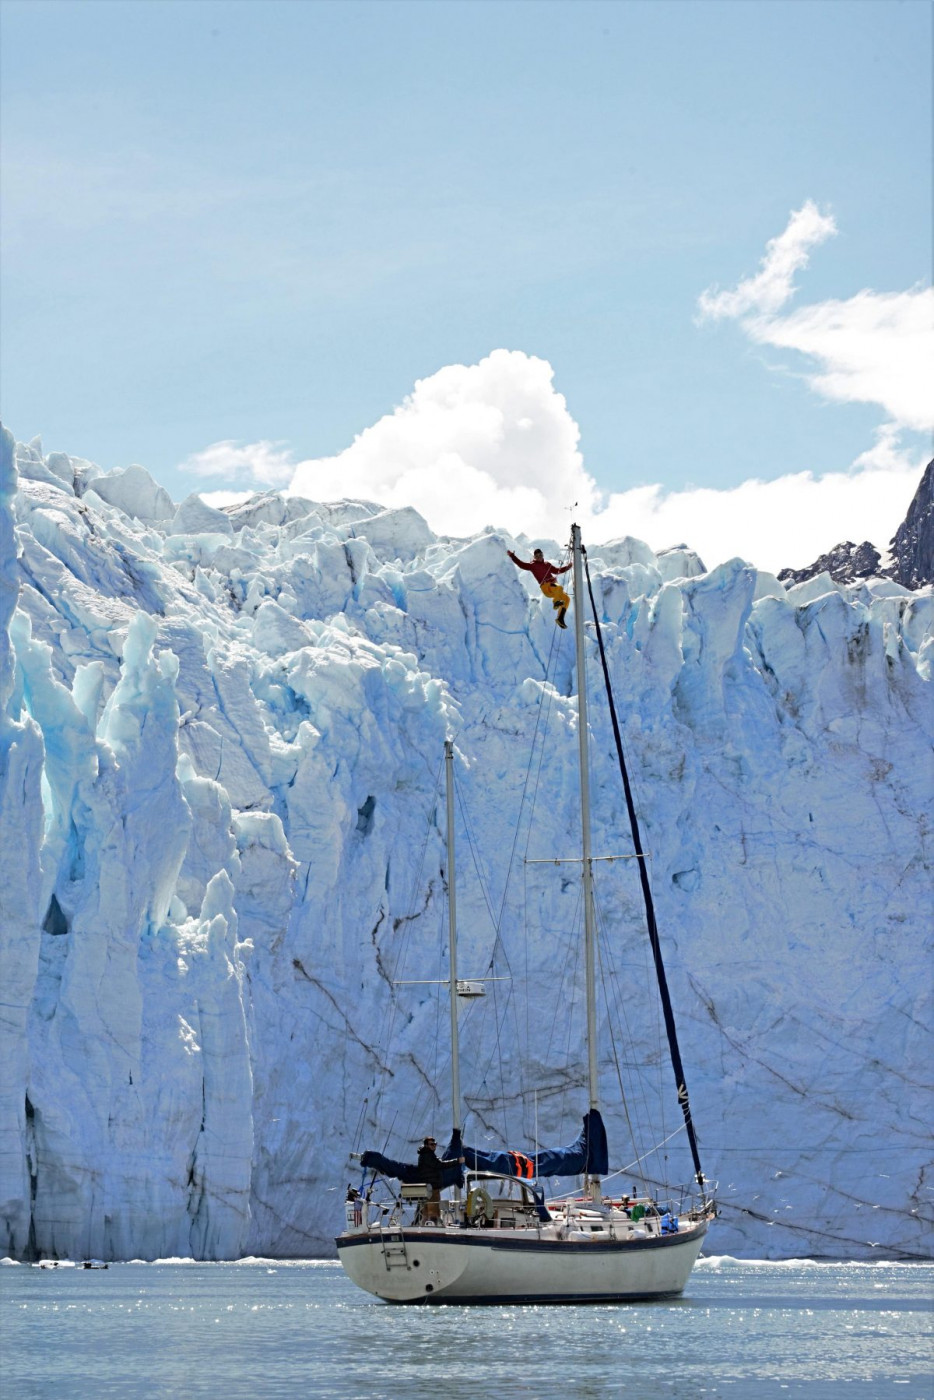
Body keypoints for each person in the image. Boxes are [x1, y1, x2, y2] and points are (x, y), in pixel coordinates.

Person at [506, 547, 572, 628]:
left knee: (567, 599)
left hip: (553, 589)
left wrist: (567, 567)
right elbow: (521, 564)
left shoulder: (547, 564)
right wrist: (512, 556)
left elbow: (556, 570)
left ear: (542, 554)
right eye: (537, 556)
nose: (539, 557)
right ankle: (556, 602)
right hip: (546, 587)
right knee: (559, 588)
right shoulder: (532, 565)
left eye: (540, 555)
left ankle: (560, 618)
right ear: (534, 557)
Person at [416, 1136, 464, 1223]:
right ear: (426, 1145)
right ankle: (434, 1227)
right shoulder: (428, 1155)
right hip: (432, 1187)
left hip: (427, 1187)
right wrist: (457, 1161)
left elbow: (437, 1164)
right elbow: (440, 1165)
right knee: (433, 1212)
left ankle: (422, 1228)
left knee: (426, 1214)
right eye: (432, 1144)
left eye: (435, 1144)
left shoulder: (424, 1154)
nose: (434, 1146)